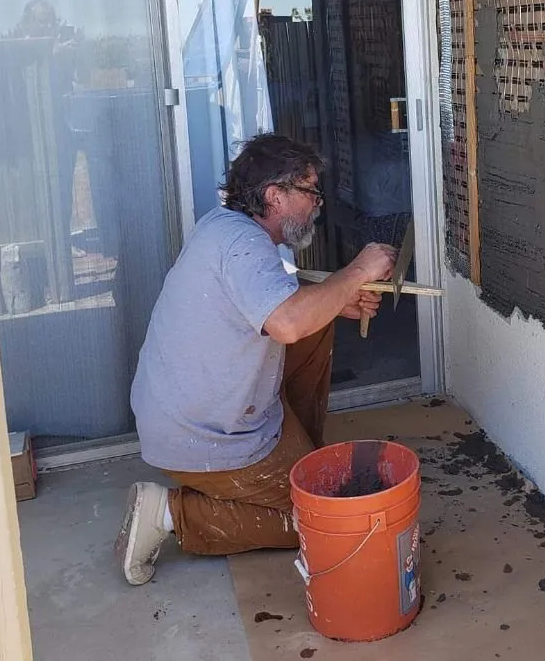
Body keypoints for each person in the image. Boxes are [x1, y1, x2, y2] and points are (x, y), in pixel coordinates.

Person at [115, 132, 396, 586]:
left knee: (316, 321)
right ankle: (168, 512)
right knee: (322, 522)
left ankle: (294, 461)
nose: (317, 205)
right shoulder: (244, 248)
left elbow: (273, 308)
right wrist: (358, 273)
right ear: (275, 195)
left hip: (184, 411)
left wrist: (337, 300)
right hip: (202, 435)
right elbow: (285, 323)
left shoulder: (224, 227)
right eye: (311, 193)